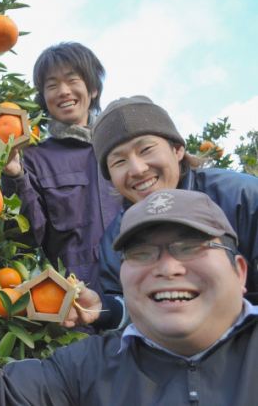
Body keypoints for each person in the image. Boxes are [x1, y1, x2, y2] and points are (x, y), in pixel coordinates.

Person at [0, 189, 258, 405]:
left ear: (239, 271)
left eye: (189, 246)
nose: (167, 267)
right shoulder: (86, 369)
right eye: (142, 253)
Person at [90, 95, 258, 329]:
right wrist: (103, 309)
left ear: (177, 149)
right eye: (119, 162)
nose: (137, 169)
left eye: (146, 149)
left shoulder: (243, 197)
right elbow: (129, 307)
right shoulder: (114, 239)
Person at [0, 42, 121, 294]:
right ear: (44, 98)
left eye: (72, 80)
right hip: (77, 301)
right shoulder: (33, 159)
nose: (64, 91)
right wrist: (14, 174)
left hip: (142, 290)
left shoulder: (121, 147)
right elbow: (25, 238)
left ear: (93, 88)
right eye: (52, 85)